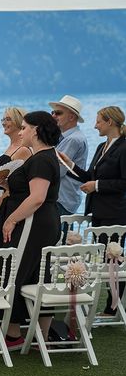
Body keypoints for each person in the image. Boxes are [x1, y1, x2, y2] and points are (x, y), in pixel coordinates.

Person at [1, 111, 61, 349]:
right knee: (39, 275)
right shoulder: (45, 157)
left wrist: (12, 220)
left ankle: (14, 332)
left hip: (34, 223)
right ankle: (41, 336)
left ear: (36, 130)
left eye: (25, 128)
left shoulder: (41, 159)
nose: (21, 131)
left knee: (17, 273)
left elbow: (37, 197)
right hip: (44, 221)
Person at [59, 105, 126, 316]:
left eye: (98, 121)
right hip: (98, 212)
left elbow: (124, 182)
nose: (95, 125)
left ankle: (112, 307)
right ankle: (113, 305)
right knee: (107, 259)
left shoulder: (124, 148)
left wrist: (96, 186)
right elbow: (88, 176)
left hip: (116, 213)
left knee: (113, 259)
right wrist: (70, 165)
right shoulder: (101, 147)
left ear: (110, 122)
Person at [0, 107, 32, 249]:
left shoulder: (22, 150)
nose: (4, 122)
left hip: (4, 207)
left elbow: (13, 186)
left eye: (8, 119)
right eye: (3, 119)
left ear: (19, 122)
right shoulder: (10, 147)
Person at [50, 95, 88, 217]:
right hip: (65, 200)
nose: (53, 116)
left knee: (58, 236)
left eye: (58, 113)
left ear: (71, 117)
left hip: (62, 200)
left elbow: (58, 170)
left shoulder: (72, 139)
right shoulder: (69, 137)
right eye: (53, 112)